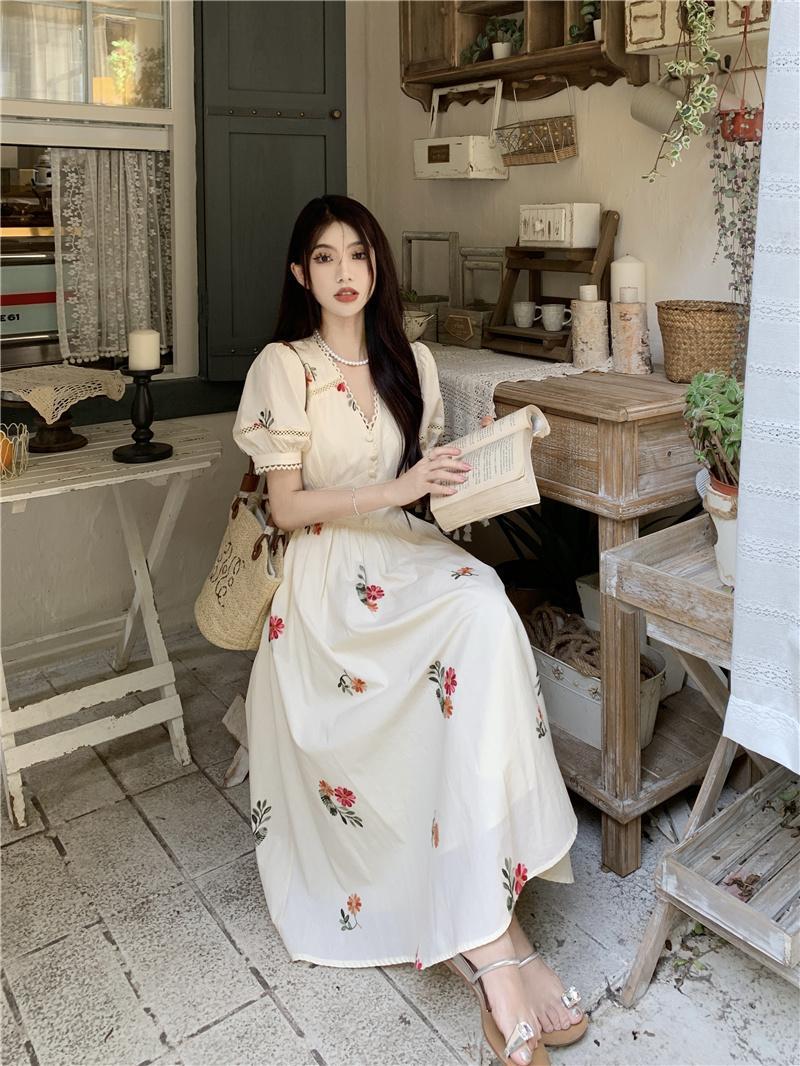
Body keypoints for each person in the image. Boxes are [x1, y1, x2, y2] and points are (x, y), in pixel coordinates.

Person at [232, 195, 586, 1066]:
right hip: (328, 576)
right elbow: (286, 506)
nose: (344, 272)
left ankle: (485, 917)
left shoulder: (411, 361)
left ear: (377, 264)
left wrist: (472, 470)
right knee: (465, 619)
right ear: (300, 274)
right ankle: (498, 948)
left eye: (357, 253)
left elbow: (424, 496)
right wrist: (397, 491)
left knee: (483, 605)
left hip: (404, 551)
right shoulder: (285, 366)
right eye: (324, 257)